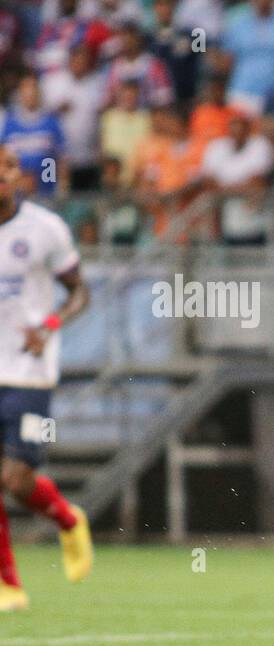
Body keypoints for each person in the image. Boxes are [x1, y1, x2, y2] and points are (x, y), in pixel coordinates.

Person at [0, 145, 94, 613]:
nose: (1, 175)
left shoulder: (44, 229)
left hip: (29, 374)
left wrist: (50, 326)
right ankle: (8, 584)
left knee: (16, 480)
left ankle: (67, 518)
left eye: (8, 167)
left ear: (19, 175)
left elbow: (80, 292)